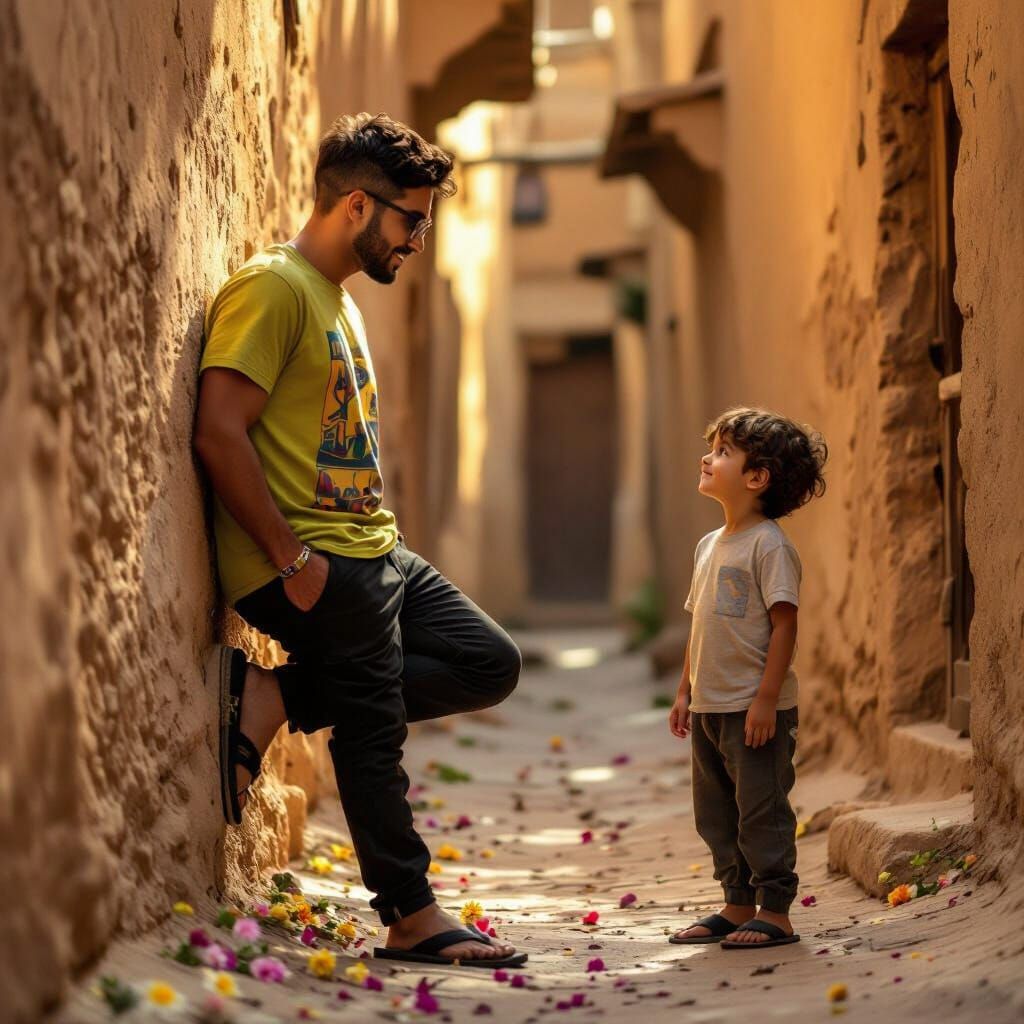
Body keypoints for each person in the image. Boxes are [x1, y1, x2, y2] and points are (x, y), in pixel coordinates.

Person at [194, 112, 526, 968]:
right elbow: (220, 432)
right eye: (410, 219)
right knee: (375, 728)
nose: (418, 238)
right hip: (310, 560)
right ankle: (411, 914)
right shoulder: (273, 289)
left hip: (374, 551)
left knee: (488, 662)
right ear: (354, 204)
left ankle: (275, 699)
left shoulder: (336, 301)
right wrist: (292, 560)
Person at [667, 407, 827, 949]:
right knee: (715, 813)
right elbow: (699, 622)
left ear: (756, 477)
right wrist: (685, 690)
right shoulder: (708, 545)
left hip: (755, 711)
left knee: (762, 810)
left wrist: (764, 700)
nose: (706, 458)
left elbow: (785, 625)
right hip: (711, 706)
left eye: (721, 452)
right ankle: (736, 904)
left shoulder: (770, 546)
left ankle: (776, 911)